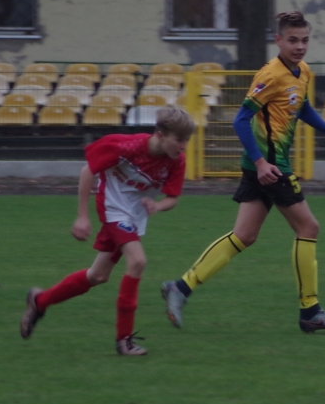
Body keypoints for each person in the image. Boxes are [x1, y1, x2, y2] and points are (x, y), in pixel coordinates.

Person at [160, 11, 325, 333]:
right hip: (270, 167)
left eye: (305, 40)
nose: (300, 46)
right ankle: (311, 311)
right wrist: (262, 163)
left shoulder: (302, 71)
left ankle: (180, 287)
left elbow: (302, 107)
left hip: (262, 167)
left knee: (244, 236)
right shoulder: (271, 75)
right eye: (292, 40)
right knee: (309, 228)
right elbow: (240, 119)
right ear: (277, 40)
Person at [20, 106, 195, 355]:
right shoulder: (126, 147)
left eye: (187, 140)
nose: (184, 146)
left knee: (97, 276)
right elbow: (87, 171)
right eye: (179, 139)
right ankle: (124, 341)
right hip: (112, 209)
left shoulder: (176, 160)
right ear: (160, 134)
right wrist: (82, 216)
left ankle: (39, 301)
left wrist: (157, 205)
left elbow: (173, 198)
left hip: (132, 217)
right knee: (138, 261)